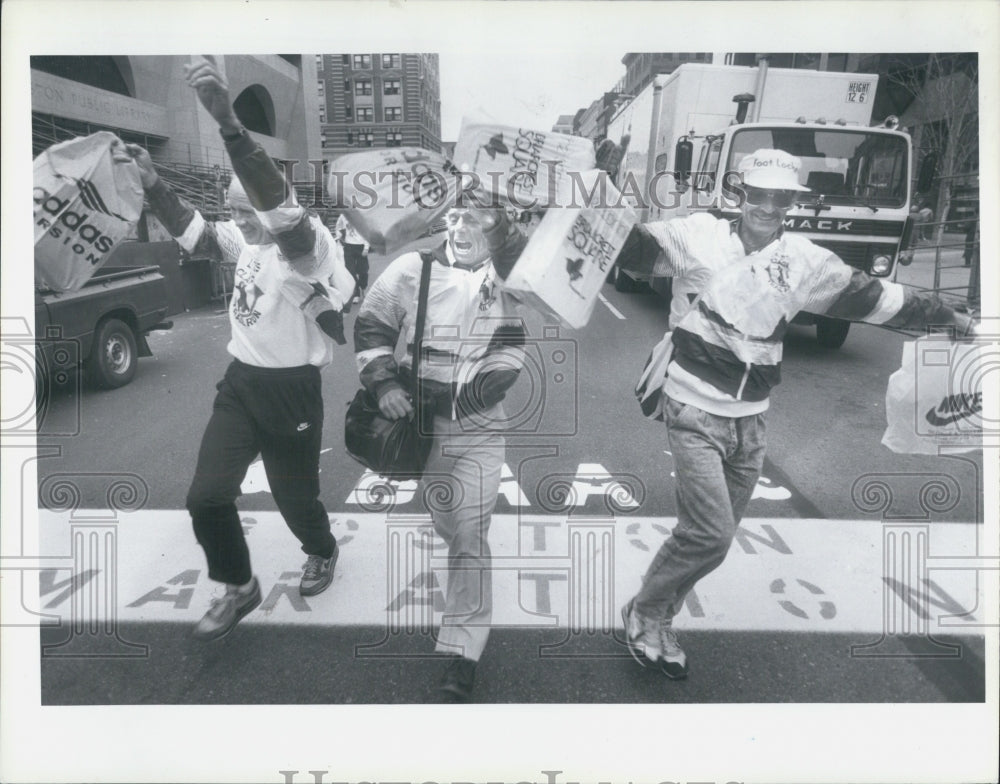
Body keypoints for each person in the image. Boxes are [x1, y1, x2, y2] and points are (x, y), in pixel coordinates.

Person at [614, 148, 979, 680]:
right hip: (692, 405)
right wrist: (590, 218)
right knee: (710, 534)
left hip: (752, 418)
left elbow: (874, 297)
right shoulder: (698, 236)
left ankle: (652, 610)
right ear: (739, 194)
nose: (766, 206)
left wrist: (948, 315)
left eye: (779, 197)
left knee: (710, 539)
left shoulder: (805, 262)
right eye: (757, 194)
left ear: (792, 202)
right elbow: (631, 250)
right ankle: (648, 614)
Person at [122, 56, 356, 641]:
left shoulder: (310, 248)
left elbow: (278, 211)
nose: (238, 224)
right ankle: (237, 584)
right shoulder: (247, 239)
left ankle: (322, 548)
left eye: (244, 213)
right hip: (242, 383)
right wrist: (155, 185)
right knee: (205, 497)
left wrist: (230, 123)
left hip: (292, 392)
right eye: (233, 213)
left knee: (295, 499)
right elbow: (196, 233)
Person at [354, 205, 529, 702]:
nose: (462, 226)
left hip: (480, 425)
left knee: (471, 533)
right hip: (423, 426)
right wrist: (384, 382)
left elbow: (522, 332)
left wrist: (504, 232)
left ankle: (462, 652)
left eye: (476, 217)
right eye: (456, 215)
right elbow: (372, 326)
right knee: (449, 522)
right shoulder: (413, 269)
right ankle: (460, 568)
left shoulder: (509, 272)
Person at [336, 212, 370, 304]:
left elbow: (367, 233)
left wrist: (366, 248)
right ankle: (356, 294)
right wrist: (339, 237)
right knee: (350, 271)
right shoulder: (343, 216)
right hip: (348, 247)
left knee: (363, 271)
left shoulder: (361, 216)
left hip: (361, 247)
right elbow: (339, 228)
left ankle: (363, 287)